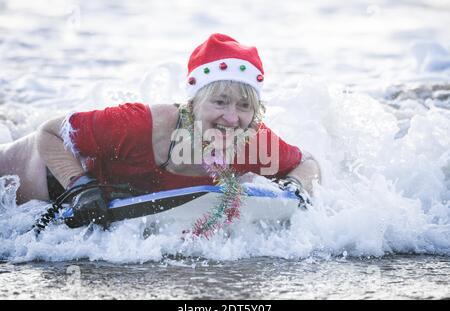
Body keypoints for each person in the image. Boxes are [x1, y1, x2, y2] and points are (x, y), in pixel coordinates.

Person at [1, 33, 321, 228]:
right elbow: (48, 132)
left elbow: (308, 163)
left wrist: (293, 189)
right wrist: (80, 186)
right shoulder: (141, 123)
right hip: (32, 179)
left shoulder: (254, 141)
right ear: (193, 103)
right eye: (220, 102)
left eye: (244, 107)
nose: (232, 117)